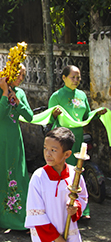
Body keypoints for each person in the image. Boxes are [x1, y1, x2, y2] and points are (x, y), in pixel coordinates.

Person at [0, 64, 33, 231]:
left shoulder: (20, 93)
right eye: (18, 74)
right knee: (0, 177)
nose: (21, 78)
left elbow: (29, 117)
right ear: (8, 73)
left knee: (19, 176)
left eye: (23, 75)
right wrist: (4, 92)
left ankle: (20, 216)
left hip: (15, 142)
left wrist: (18, 103)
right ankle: (1, 218)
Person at [48, 65, 107, 219]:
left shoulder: (81, 95)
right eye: (73, 77)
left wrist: (97, 113)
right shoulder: (57, 96)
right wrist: (54, 114)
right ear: (64, 78)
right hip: (62, 140)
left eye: (78, 77)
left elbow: (87, 116)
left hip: (78, 138)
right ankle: (61, 209)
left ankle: (81, 210)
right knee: (63, 173)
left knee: (78, 172)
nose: (76, 80)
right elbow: (49, 119)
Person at [25, 127, 88, 242]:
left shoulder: (75, 175)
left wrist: (75, 208)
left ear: (67, 154)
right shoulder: (39, 177)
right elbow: (36, 213)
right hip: (46, 236)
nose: (47, 154)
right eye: (45, 148)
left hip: (69, 232)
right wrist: (58, 239)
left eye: (53, 150)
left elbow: (82, 198)